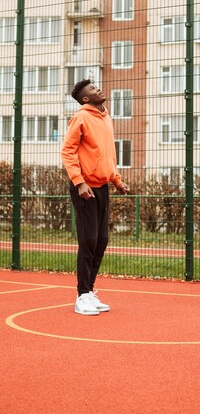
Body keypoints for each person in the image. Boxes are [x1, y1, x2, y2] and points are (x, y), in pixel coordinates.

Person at [61, 79, 129, 316]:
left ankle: (89, 291)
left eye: (96, 86)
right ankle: (82, 295)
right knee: (88, 240)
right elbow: (67, 151)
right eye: (91, 89)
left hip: (102, 186)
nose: (97, 89)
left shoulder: (105, 118)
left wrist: (117, 180)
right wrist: (79, 182)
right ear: (85, 99)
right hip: (85, 187)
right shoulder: (81, 117)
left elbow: (107, 154)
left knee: (101, 239)